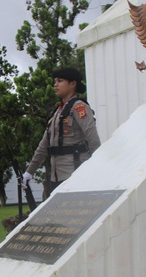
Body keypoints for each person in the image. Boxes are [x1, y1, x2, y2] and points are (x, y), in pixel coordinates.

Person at [22, 67, 101, 196]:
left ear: (72, 84)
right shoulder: (57, 112)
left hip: (76, 173)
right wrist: (29, 171)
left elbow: (93, 139)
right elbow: (43, 146)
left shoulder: (79, 107)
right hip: (56, 176)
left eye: (60, 81)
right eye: (55, 81)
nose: (55, 85)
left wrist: (97, 168)